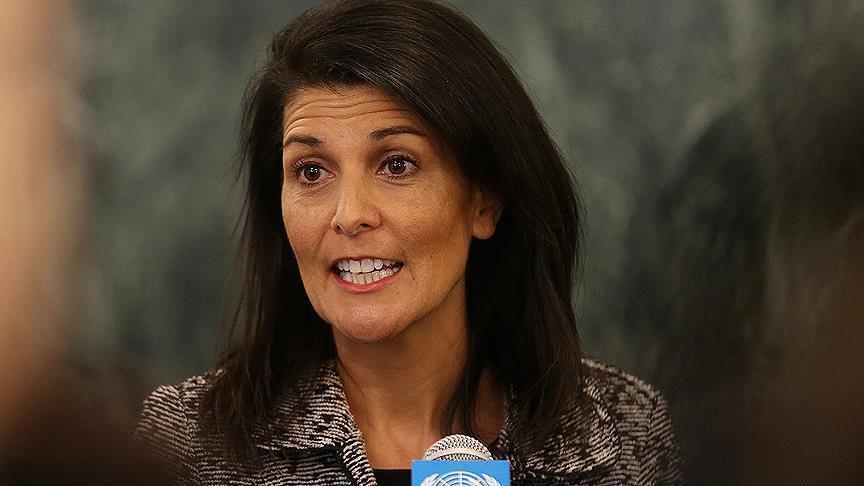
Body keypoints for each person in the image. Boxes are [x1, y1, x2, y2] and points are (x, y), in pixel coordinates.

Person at [136, 0, 684, 484]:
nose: (350, 215)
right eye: (310, 171)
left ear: (484, 202)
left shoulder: (626, 432)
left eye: (397, 165)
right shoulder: (188, 444)